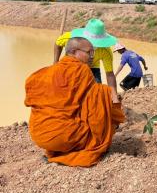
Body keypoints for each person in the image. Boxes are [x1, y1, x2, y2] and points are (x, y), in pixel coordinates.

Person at [25, 37, 125, 167]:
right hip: (65, 137)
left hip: (39, 135)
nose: (91, 56)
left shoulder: (42, 73)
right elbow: (94, 105)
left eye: (93, 52)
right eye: (89, 52)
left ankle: (57, 149)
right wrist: (111, 101)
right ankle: (71, 151)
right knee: (102, 95)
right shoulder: (81, 70)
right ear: (74, 51)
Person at [54, 18, 119, 98]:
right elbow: (58, 44)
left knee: (96, 93)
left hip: (93, 67)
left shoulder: (105, 51)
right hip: (71, 64)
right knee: (64, 88)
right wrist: (55, 61)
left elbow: (109, 74)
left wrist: (115, 97)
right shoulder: (69, 38)